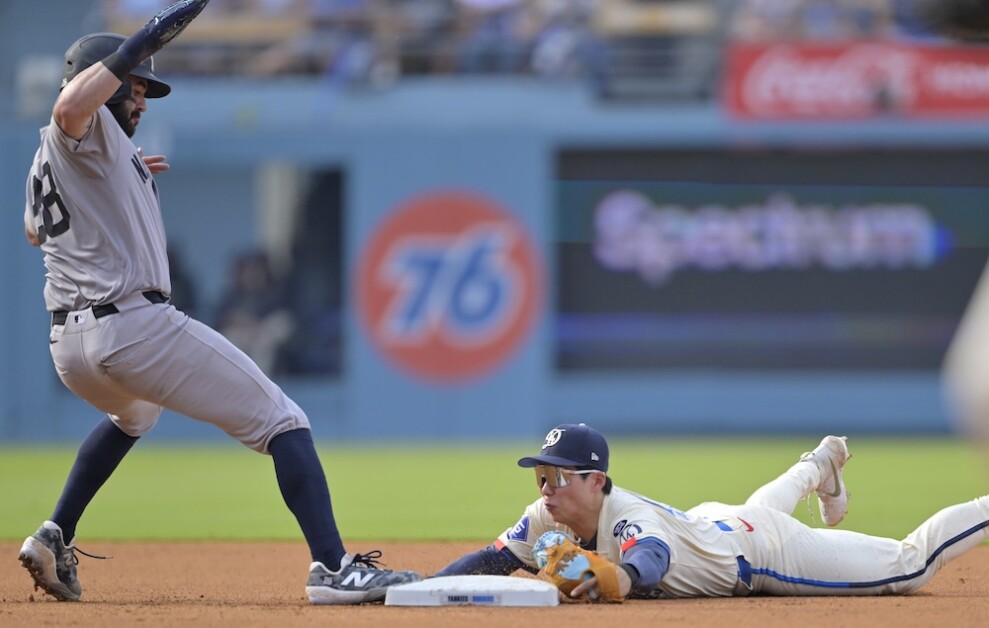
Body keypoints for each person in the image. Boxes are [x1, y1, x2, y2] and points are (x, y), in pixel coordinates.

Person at [18, 0, 419, 605]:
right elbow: (71, 107)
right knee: (285, 421)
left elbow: (34, 231)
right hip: (129, 327)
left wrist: (117, 180)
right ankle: (335, 569)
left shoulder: (54, 160)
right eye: (134, 86)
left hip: (70, 349)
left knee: (136, 415)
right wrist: (142, 39)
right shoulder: (80, 120)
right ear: (98, 81)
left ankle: (55, 533)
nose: (142, 99)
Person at [435, 422, 989, 599]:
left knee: (910, 566)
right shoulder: (545, 514)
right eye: (541, 476)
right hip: (717, 523)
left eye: (556, 475)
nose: (546, 487)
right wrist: (412, 589)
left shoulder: (628, 517)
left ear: (596, 479)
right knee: (752, 510)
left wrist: (617, 577)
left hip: (760, 548)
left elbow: (649, 558)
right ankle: (821, 463)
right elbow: (491, 559)